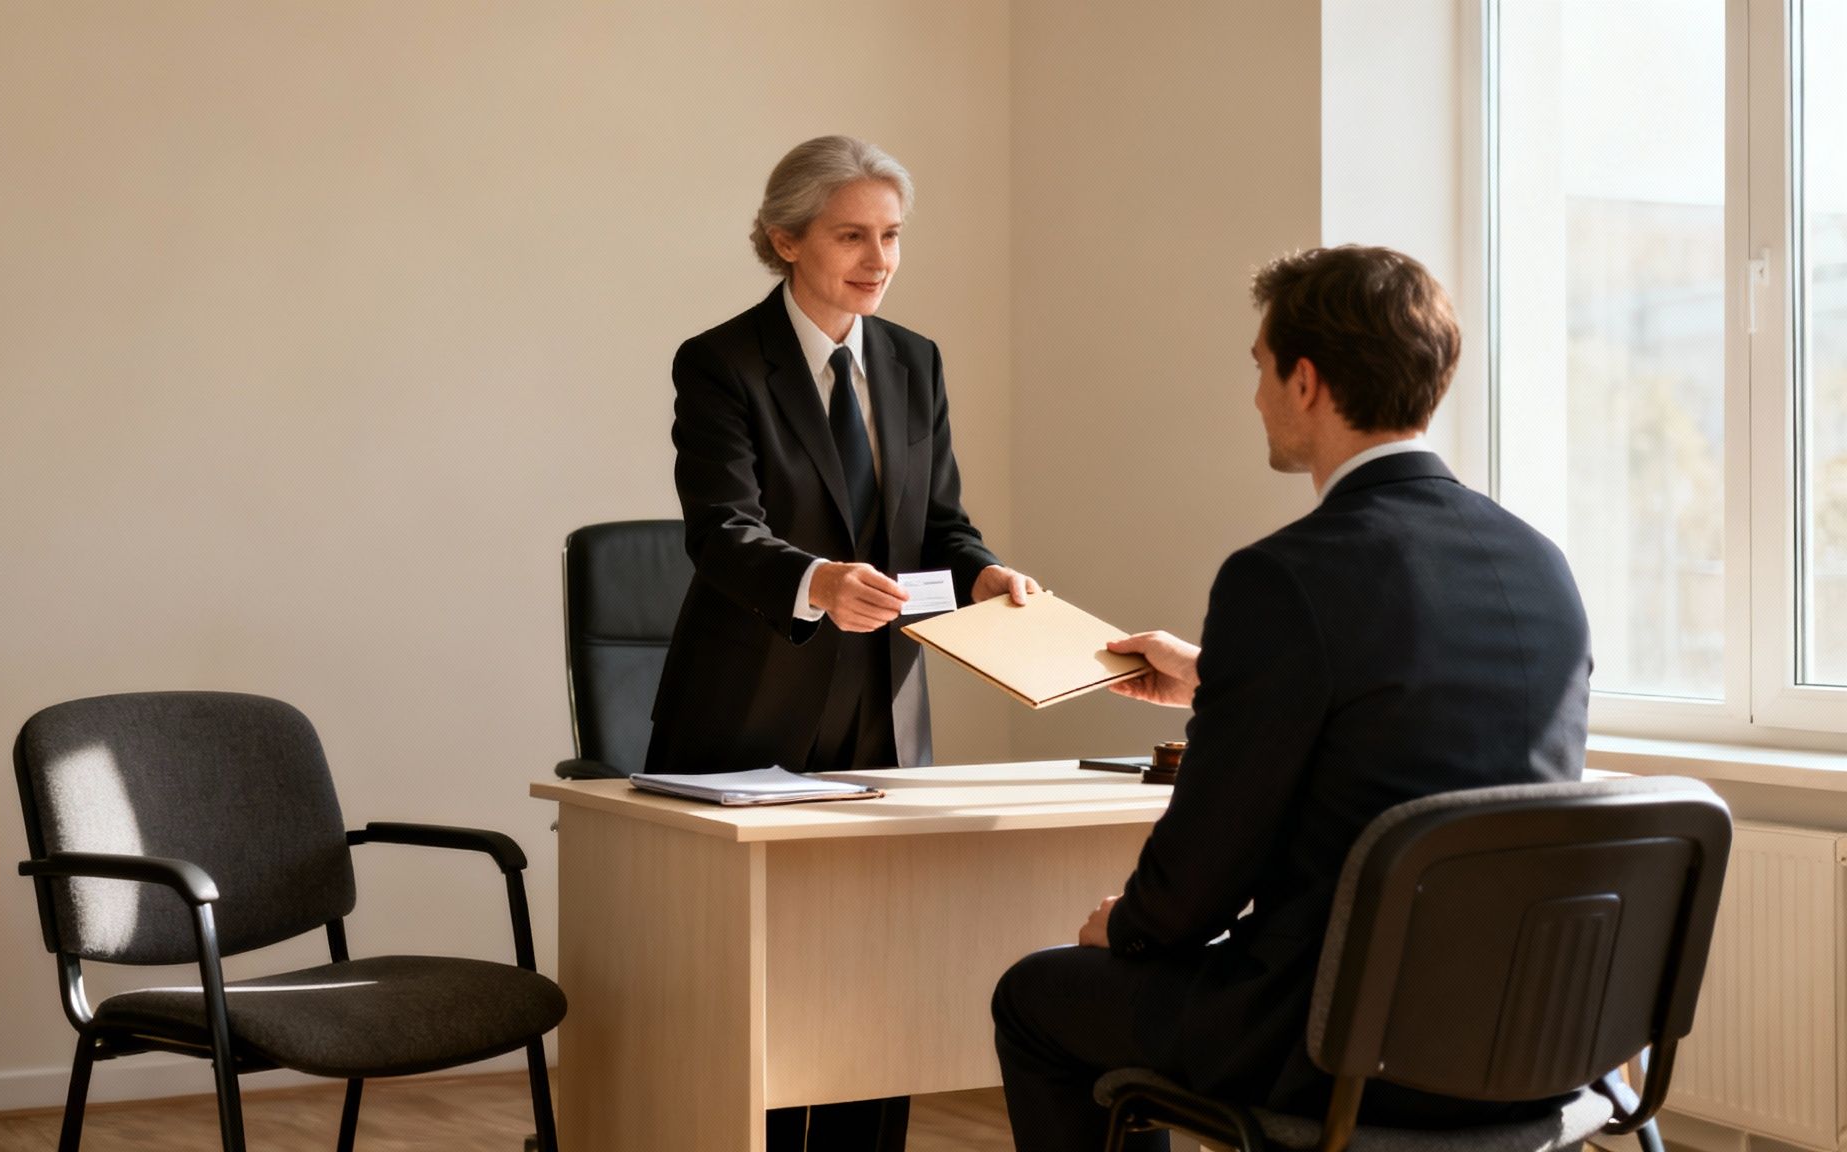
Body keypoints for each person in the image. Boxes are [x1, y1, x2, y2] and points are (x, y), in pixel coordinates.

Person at [991, 245, 1593, 1151]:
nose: (1258, 395)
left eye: (1261, 369)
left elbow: (1206, 867)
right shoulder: (1540, 563)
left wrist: (1130, 930)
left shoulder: (1286, 578)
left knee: (1038, 995)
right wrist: (1221, 676)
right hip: (1531, 1033)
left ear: (1305, 381)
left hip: (1333, 1039)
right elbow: (1419, 721)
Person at [647, 135, 1037, 1151]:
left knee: (876, 993)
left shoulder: (914, 361)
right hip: (748, 717)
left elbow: (937, 525)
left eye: (892, 235)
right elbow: (720, 529)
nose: (878, 258)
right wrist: (815, 581)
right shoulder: (721, 362)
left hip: (883, 713)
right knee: (762, 999)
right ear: (784, 240)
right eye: (850, 235)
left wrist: (983, 572)